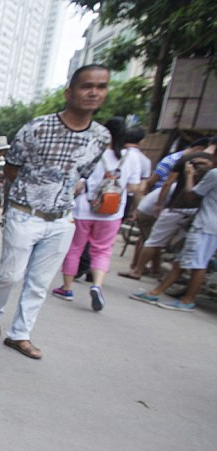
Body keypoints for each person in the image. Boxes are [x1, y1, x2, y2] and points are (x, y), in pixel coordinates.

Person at [0, 64, 111, 360]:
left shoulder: (101, 137)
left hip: (62, 220)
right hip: (25, 213)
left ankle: (20, 335)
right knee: (10, 274)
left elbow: (82, 174)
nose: (93, 92)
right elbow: (12, 168)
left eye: (101, 87)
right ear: (70, 92)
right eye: (86, 86)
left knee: (39, 283)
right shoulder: (37, 128)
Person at [52, 117, 142, 311]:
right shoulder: (132, 157)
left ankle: (67, 288)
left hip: (84, 208)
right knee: (102, 250)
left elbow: (76, 181)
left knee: (75, 248)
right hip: (112, 212)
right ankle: (97, 285)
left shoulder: (92, 151)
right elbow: (134, 187)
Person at [131, 166, 217, 311]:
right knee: (182, 261)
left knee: (197, 264)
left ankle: (187, 300)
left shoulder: (214, 174)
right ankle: (156, 292)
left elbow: (191, 195)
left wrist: (189, 175)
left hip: (205, 225)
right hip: (210, 225)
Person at [119, 151, 216, 281]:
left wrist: (160, 204)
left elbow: (170, 184)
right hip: (196, 213)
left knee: (154, 241)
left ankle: (138, 270)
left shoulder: (188, 161)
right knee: (182, 251)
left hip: (179, 208)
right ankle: (157, 272)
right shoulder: (210, 169)